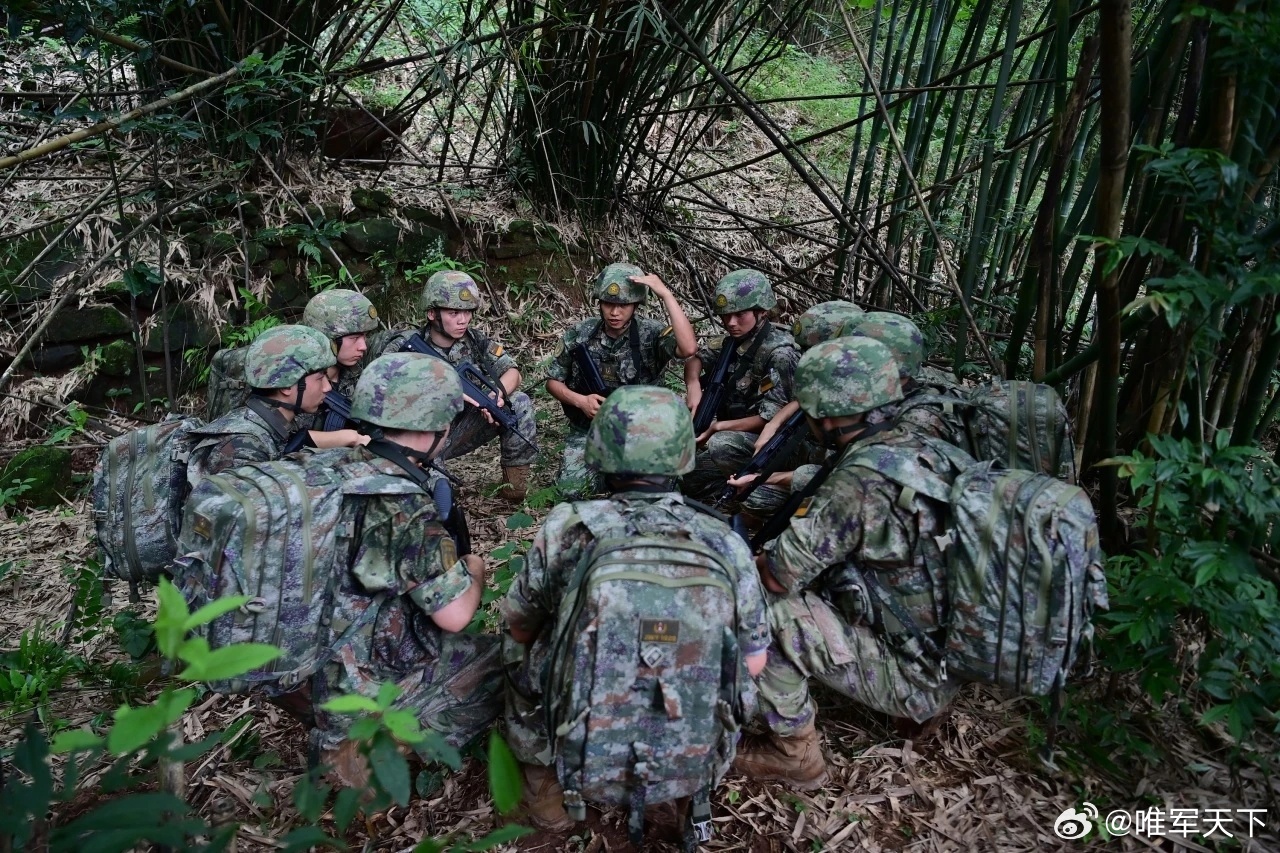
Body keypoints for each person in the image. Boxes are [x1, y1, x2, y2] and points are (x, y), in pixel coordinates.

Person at [500, 386, 769, 831]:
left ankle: (544, 787)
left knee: (514, 653)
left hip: (585, 725)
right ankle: (687, 791)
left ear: (600, 450)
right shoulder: (722, 538)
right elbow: (754, 660)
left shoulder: (569, 525)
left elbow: (522, 628)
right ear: (683, 455)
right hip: (689, 727)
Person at [731, 337, 961, 789]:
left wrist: (745, 561)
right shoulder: (926, 448)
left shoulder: (861, 478)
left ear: (829, 415)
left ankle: (793, 755)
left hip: (919, 674)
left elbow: (778, 576)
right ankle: (922, 705)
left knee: (762, 606)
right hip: (949, 654)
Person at [312, 352, 503, 781]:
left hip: (303, 663)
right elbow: (455, 615)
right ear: (442, 426)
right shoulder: (402, 504)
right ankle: (378, 746)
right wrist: (475, 568)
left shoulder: (326, 466)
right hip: (359, 684)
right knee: (509, 661)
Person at [372, 271, 537, 502]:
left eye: (468, 312)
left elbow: (513, 372)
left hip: (458, 428)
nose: (463, 320)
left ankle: (515, 487)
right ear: (432, 314)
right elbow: (381, 390)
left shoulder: (475, 341)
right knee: (439, 496)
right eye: (454, 313)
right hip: (419, 434)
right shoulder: (404, 346)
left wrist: (496, 395)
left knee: (518, 403)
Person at [545, 263, 697, 497]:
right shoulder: (580, 333)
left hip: (641, 430)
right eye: (609, 304)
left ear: (636, 305)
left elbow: (688, 348)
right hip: (591, 429)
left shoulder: (651, 333)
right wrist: (581, 401)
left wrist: (666, 294)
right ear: (599, 303)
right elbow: (553, 381)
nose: (615, 313)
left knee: (656, 490)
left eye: (623, 305)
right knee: (572, 491)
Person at [726, 300, 864, 519]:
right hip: (810, 458)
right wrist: (773, 424)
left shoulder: (869, 398)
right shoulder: (842, 375)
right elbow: (801, 399)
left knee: (759, 495)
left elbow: (844, 475)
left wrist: (761, 479)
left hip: (852, 493)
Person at [682, 269, 799, 501]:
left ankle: (764, 492)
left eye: (740, 315)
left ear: (761, 312)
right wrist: (693, 384)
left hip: (770, 444)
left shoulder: (780, 353)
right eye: (725, 316)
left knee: (720, 445)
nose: (730, 323)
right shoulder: (735, 340)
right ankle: (732, 491)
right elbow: (695, 359)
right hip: (741, 437)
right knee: (688, 477)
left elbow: (769, 421)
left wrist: (717, 427)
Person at [186, 324, 335, 483]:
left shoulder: (275, 424)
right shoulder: (244, 446)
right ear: (286, 385)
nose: (327, 387)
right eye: (320, 378)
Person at [292, 288, 380, 449]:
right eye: (354, 338)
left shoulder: (356, 373)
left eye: (365, 336)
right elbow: (278, 440)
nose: (363, 346)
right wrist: (342, 438)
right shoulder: (293, 378)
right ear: (326, 338)